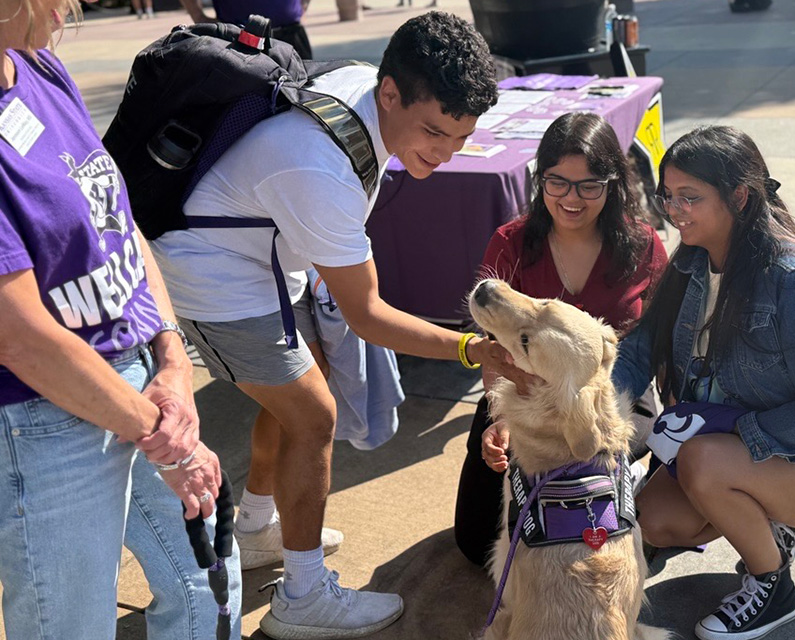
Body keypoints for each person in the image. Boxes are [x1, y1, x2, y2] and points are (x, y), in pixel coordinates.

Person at [148, 11, 513, 639]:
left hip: (263, 250)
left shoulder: (364, 88)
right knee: (315, 414)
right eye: (433, 132)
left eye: (460, 137)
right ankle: (304, 597)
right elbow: (368, 315)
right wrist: (471, 349)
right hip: (218, 277)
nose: (445, 154)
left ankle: (259, 522)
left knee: (300, 395)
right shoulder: (320, 166)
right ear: (390, 92)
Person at [0, 2, 242, 639]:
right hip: (42, 418)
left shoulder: (40, 69)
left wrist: (170, 356)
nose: (68, 6)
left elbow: (120, 227)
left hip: (137, 378)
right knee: (72, 625)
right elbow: (18, 334)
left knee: (207, 575)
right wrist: (165, 438)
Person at [611, 125, 795, 640]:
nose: (674, 211)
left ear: (739, 197)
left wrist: (730, 431)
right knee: (655, 520)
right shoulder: (692, 262)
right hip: (763, 446)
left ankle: (772, 589)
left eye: (690, 198)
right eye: (668, 196)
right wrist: (597, 416)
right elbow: (639, 350)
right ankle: (771, 518)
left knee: (701, 463)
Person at [457, 111, 668, 566]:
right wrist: (501, 415)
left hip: (611, 402)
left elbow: (661, 345)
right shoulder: (510, 243)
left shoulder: (645, 246)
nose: (572, 198)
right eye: (557, 182)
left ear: (613, 183)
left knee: (588, 534)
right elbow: (494, 346)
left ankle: (627, 489)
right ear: (540, 179)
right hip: (523, 397)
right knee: (476, 544)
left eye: (589, 184)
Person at [179, 0, 314, 60]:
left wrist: (304, 4)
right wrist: (198, 15)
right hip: (241, 40)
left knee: (306, 99)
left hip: (291, 33)